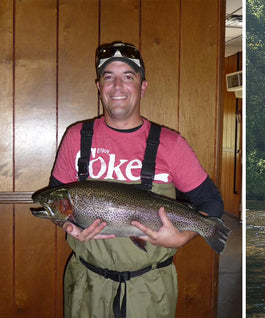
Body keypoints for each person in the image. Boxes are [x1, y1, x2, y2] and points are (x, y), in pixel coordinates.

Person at [49, 41, 224, 318]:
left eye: (128, 77)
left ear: (142, 87)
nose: (117, 86)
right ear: (99, 86)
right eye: (109, 77)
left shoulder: (171, 144)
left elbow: (211, 201)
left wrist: (182, 237)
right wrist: (68, 225)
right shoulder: (75, 137)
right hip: (87, 288)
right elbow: (57, 201)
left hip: (150, 290)